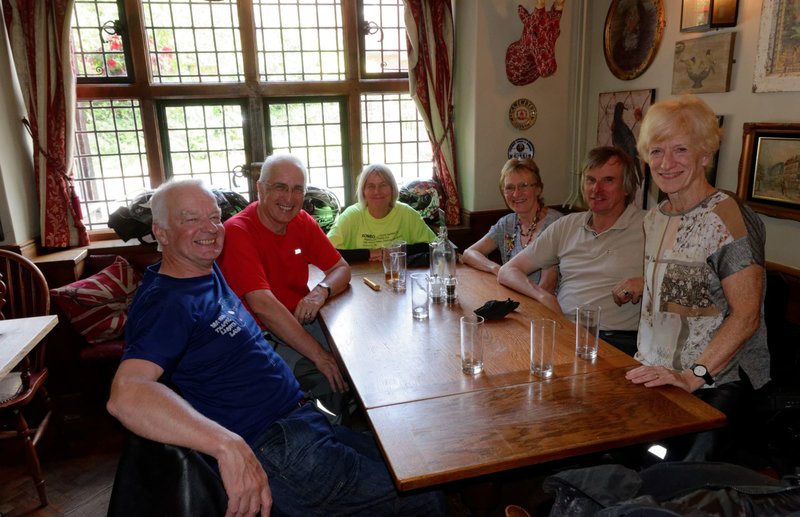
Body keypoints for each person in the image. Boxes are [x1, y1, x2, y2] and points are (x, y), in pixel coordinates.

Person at [107, 179, 444, 516]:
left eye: (213, 217)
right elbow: (127, 394)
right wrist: (226, 445)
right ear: (161, 233)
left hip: (301, 422)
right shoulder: (167, 302)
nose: (210, 229)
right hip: (278, 446)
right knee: (425, 496)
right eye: (190, 219)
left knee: (416, 461)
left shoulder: (202, 272)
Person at [623, 95, 770, 461]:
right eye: (656, 151)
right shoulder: (654, 217)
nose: (666, 163)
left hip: (717, 383)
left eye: (680, 150)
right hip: (656, 374)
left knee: (672, 483)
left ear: (705, 155)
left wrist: (693, 375)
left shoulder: (728, 217)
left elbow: (747, 315)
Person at [217, 154, 351, 423]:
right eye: (280, 187)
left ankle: (360, 426)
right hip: (259, 334)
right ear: (261, 188)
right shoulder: (237, 231)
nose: (289, 198)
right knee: (325, 376)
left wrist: (320, 291)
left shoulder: (301, 221)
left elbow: (341, 269)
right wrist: (319, 355)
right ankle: (329, 442)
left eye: (297, 189)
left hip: (299, 321)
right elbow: (263, 306)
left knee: (356, 357)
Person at [497, 147, 645, 356]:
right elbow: (508, 271)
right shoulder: (567, 225)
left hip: (615, 342)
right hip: (563, 331)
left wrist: (645, 282)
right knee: (502, 354)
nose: (596, 189)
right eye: (590, 180)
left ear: (626, 187)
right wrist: (543, 296)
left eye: (608, 180)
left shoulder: (649, 226)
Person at [462, 158, 562, 292]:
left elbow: (547, 286)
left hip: (544, 304)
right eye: (509, 188)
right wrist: (498, 270)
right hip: (513, 298)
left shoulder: (555, 223)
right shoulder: (507, 223)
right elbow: (469, 254)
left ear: (538, 189)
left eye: (523, 186)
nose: (516, 194)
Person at [326, 163, 437, 263]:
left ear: (392, 188)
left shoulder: (407, 213)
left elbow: (435, 246)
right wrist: (371, 253)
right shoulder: (351, 215)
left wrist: (395, 251)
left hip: (398, 277)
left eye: (383, 185)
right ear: (363, 191)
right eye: (371, 186)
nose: (377, 192)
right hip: (359, 278)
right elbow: (326, 251)